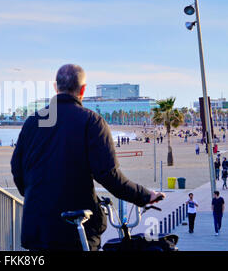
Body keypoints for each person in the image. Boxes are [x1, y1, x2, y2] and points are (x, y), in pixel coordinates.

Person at [11, 64, 165, 251]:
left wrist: (37, 195)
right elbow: (109, 175)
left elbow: (17, 169)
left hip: (37, 227)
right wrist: (145, 196)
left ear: (55, 87)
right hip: (75, 232)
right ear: (83, 89)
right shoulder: (91, 121)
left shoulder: (32, 122)